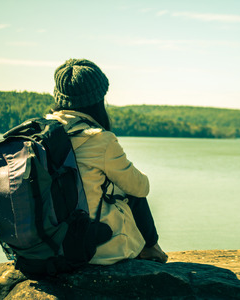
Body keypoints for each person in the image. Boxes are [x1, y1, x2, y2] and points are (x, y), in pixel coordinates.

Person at [45, 58, 168, 264]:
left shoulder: (39, 135)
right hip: (88, 246)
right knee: (130, 190)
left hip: (45, 243)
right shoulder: (99, 139)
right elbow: (141, 188)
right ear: (98, 99)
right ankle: (151, 248)